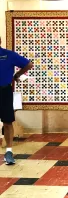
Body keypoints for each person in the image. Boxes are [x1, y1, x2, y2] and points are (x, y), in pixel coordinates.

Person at [0, 36, 33, 165]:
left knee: (7, 122)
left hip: (4, 91)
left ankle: (9, 152)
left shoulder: (9, 55)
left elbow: (29, 64)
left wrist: (17, 75)